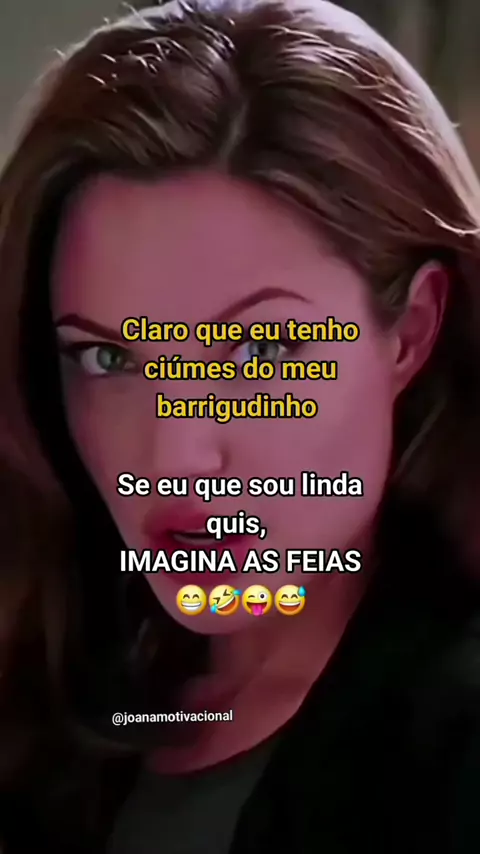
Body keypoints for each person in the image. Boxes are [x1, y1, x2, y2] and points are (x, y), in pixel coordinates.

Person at [0, 0, 479, 851]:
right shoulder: (52, 690)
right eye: (109, 358)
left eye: (261, 350)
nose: (176, 455)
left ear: (411, 331)